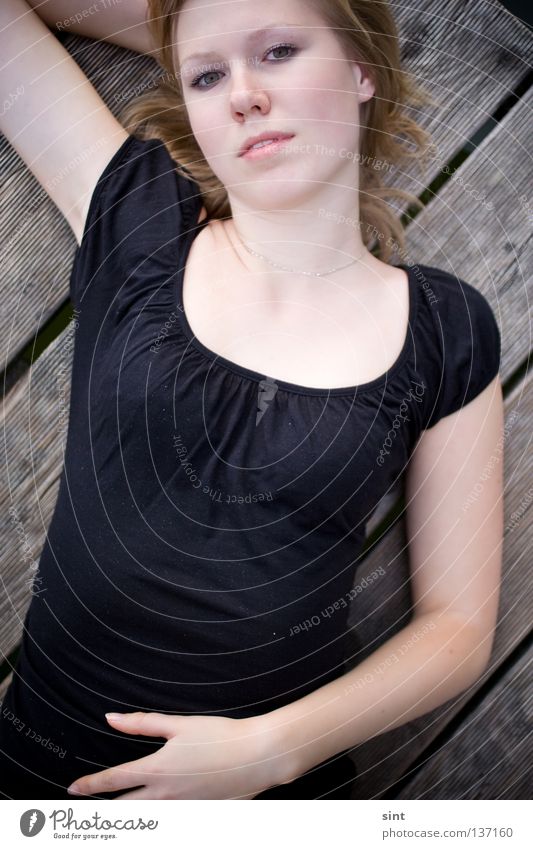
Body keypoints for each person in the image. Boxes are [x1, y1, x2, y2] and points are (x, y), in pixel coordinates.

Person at [0, 0, 503, 800]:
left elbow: (459, 627)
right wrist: (225, 41)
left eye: (278, 54)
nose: (240, 94)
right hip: (40, 783)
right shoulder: (139, 227)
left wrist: (271, 750)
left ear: (363, 70)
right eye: (206, 77)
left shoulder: (443, 327)